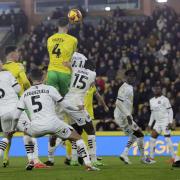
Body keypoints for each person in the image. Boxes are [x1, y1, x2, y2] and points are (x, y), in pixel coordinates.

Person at [13, 68, 99, 171]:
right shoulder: (50, 89)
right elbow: (65, 105)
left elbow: (16, 116)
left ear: (29, 78)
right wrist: (77, 108)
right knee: (77, 138)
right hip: (54, 124)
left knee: (26, 134)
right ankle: (88, 164)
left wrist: (13, 127)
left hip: (36, 127)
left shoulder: (25, 94)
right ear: (44, 77)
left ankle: (32, 159)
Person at [2, 46, 45, 168]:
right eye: (17, 53)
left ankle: (5, 158)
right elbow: (26, 82)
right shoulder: (18, 66)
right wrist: (27, 94)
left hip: (3, 107)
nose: (19, 55)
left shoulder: (3, 69)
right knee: (28, 130)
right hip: (17, 103)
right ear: (12, 54)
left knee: (7, 134)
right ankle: (34, 159)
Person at [114, 69, 154, 164]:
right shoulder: (125, 87)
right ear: (126, 77)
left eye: (133, 76)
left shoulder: (129, 87)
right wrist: (128, 115)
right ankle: (143, 158)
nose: (132, 78)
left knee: (134, 136)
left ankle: (124, 154)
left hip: (122, 116)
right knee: (140, 134)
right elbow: (118, 102)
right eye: (130, 76)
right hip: (124, 117)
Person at [148, 83, 175, 162]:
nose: (156, 90)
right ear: (153, 90)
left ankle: (174, 158)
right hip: (157, 122)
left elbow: (170, 111)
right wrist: (150, 124)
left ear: (161, 90)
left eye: (158, 89)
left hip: (165, 121)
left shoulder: (165, 99)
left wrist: (170, 122)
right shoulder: (151, 100)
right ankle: (151, 158)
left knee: (167, 139)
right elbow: (152, 113)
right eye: (155, 89)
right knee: (152, 139)